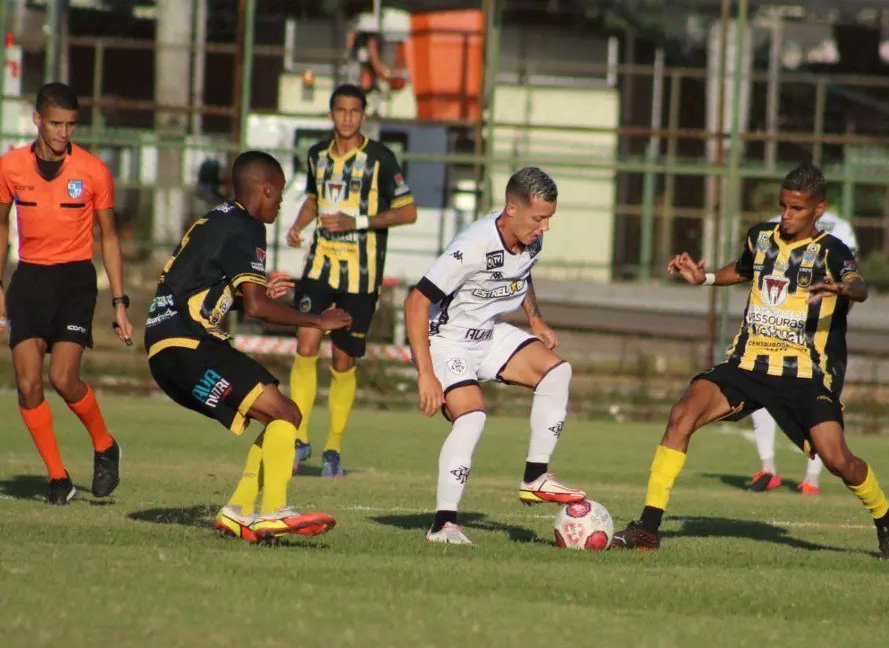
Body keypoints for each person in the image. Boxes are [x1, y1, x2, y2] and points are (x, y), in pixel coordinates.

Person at [611, 164, 889, 559]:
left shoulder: (832, 250)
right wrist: (707, 279)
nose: (786, 215)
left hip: (804, 374)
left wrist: (846, 288)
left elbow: (858, 284)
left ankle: (886, 517)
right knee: (682, 414)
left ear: (818, 209)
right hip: (747, 363)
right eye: (783, 206)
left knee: (839, 461)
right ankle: (648, 527)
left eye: (797, 208)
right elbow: (746, 269)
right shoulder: (761, 237)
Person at [145, 151, 352, 542]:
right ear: (266, 189)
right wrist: (317, 321)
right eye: (280, 195)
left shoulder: (214, 219)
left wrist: (248, 293)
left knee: (275, 413)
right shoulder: (247, 226)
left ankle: (237, 512)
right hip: (189, 344)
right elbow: (259, 309)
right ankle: (272, 510)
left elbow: (213, 291)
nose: (280, 203)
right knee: (286, 413)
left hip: (164, 351)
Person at [404, 167, 585, 545]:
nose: (544, 228)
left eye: (549, 218)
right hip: (448, 340)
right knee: (471, 417)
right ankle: (443, 525)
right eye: (539, 218)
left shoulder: (531, 239)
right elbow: (416, 302)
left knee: (556, 372)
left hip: (487, 334)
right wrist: (426, 374)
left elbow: (523, 273)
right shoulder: (473, 245)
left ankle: (535, 477)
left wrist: (536, 320)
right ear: (511, 209)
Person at [0, 82, 132, 505]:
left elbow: (109, 238)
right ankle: (59, 479)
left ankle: (105, 444)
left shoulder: (94, 171)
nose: (63, 133)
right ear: (37, 120)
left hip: (75, 281)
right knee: (27, 383)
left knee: (62, 378)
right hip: (30, 279)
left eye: (71, 125)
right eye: (56, 123)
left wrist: (120, 303)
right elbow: (1, 227)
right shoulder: (10, 167)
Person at [285, 84, 416, 478]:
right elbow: (314, 199)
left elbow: (408, 213)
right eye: (340, 110)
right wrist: (297, 226)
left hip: (361, 275)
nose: (346, 117)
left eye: (354, 111)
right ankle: (299, 437)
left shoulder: (380, 158)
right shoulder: (316, 156)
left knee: (342, 360)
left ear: (363, 115)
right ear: (331, 114)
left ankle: (333, 449)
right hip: (319, 267)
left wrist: (356, 222)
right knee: (306, 342)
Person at [746, 209, 860, 495]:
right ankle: (768, 468)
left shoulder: (838, 231)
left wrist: (834, 322)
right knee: (759, 392)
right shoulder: (773, 226)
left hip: (816, 337)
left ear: (817, 204)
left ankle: (811, 477)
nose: (790, 211)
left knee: (819, 406)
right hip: (778, 331)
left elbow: (850, 281)